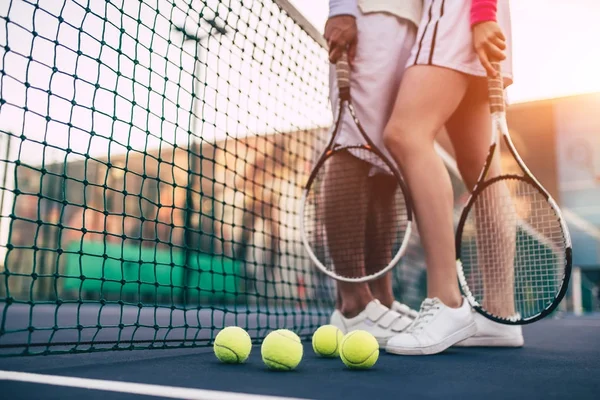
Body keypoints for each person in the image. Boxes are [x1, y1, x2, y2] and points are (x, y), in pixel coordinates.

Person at [381, 0, 524, 355]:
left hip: (460, 12)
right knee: (480, 163)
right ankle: (500, 315)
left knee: (406, 133)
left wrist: (481, 15)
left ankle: (445, 300)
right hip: (475, 14)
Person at [323, 0, 423, 346]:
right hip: (370, 16)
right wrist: (342, 8)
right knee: (353, 147)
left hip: (414, 26)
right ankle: (354, 303)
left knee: (386, 166)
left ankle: (381, 297)